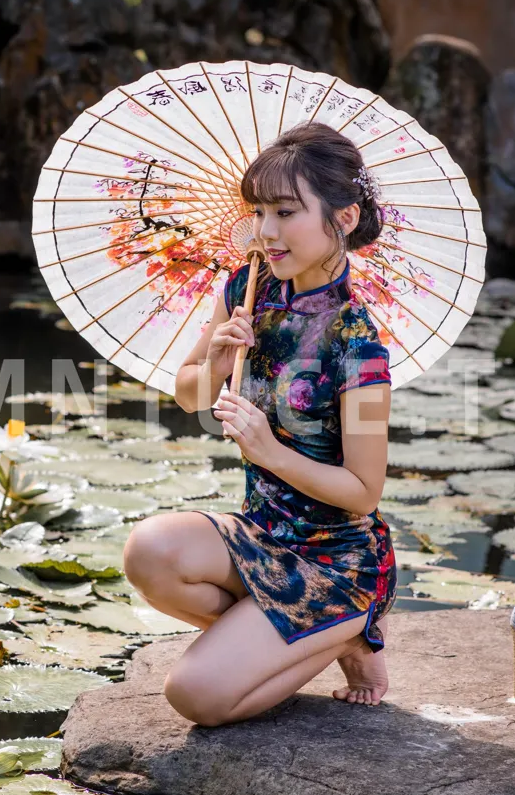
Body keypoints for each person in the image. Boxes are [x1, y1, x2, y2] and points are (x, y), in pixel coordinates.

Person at [122, 121, 396, 727]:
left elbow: (363, 491)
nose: (266, 230)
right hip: (264, 534)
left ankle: (350, 626)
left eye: (286, 212)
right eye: (261, 211)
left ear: (345, 219)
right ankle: (329, 641)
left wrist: (268, 451)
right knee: (150, 553)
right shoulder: (249, 288)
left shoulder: (358, 342)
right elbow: (189, 394)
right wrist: (218, 358)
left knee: (195, 695)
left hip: (337, 561)